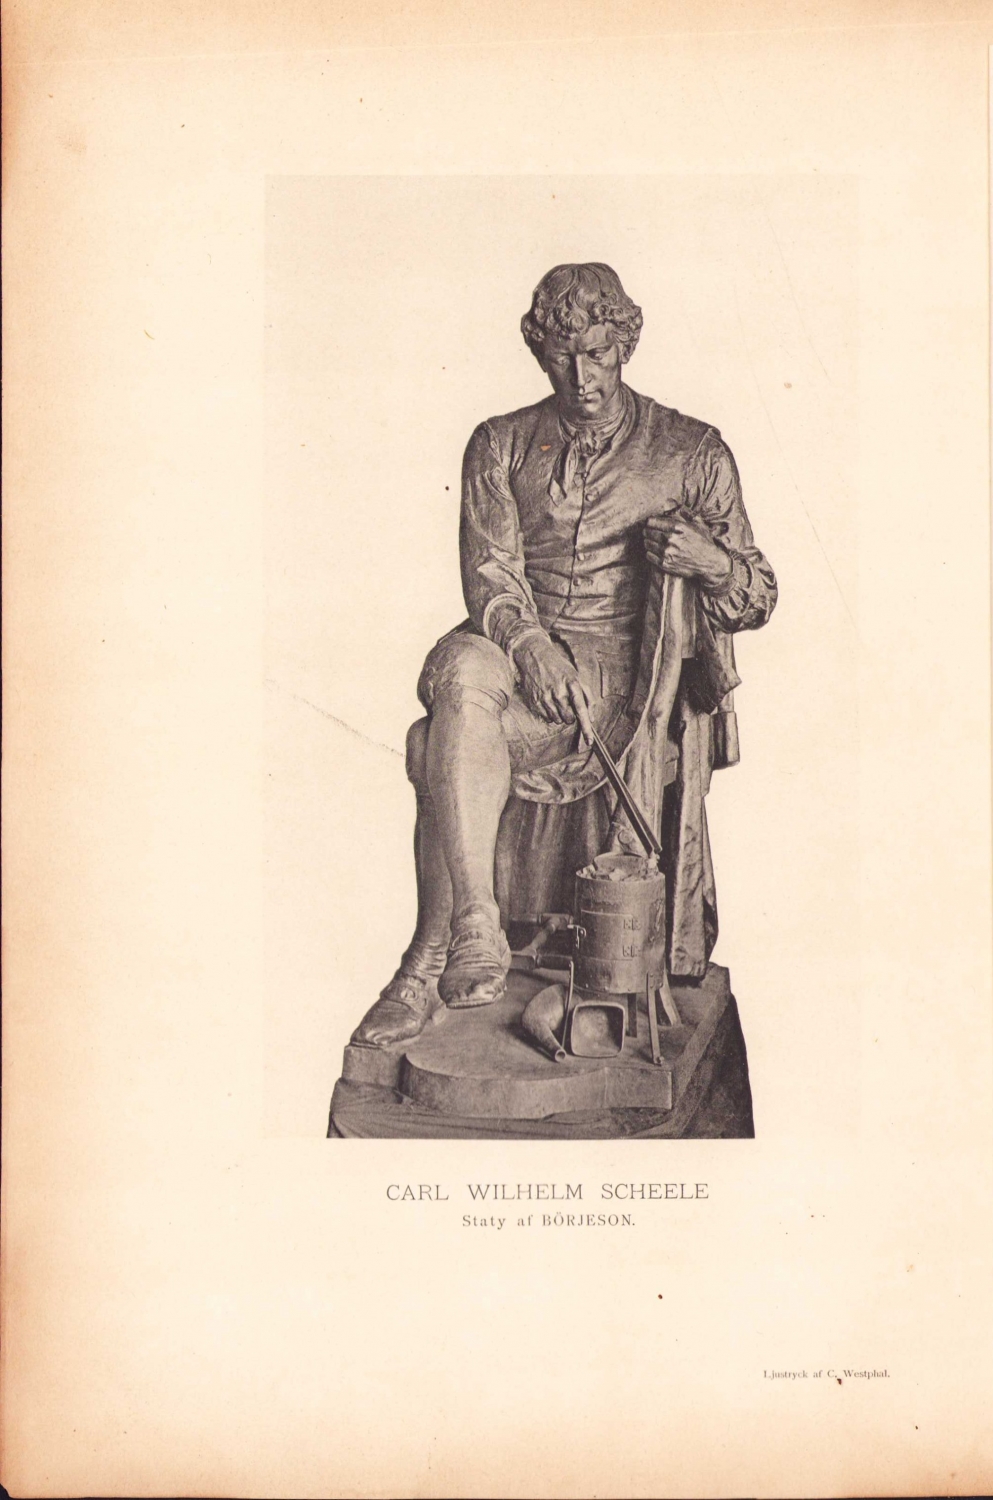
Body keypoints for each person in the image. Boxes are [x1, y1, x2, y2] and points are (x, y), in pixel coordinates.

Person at [351, 263, 777, 1049]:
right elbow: (490, 573)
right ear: (539, 353)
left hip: (629, 687)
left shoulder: (691, 449)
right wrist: (529, 646)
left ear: (625, 345)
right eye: (561, 357)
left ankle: (427, 959)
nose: (581, 377)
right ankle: (469, 927)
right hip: (520, 662)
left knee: (431, 740)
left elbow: (756, 595)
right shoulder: (500, 443)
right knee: (462, 669)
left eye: (597, 354)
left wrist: (710, 563)